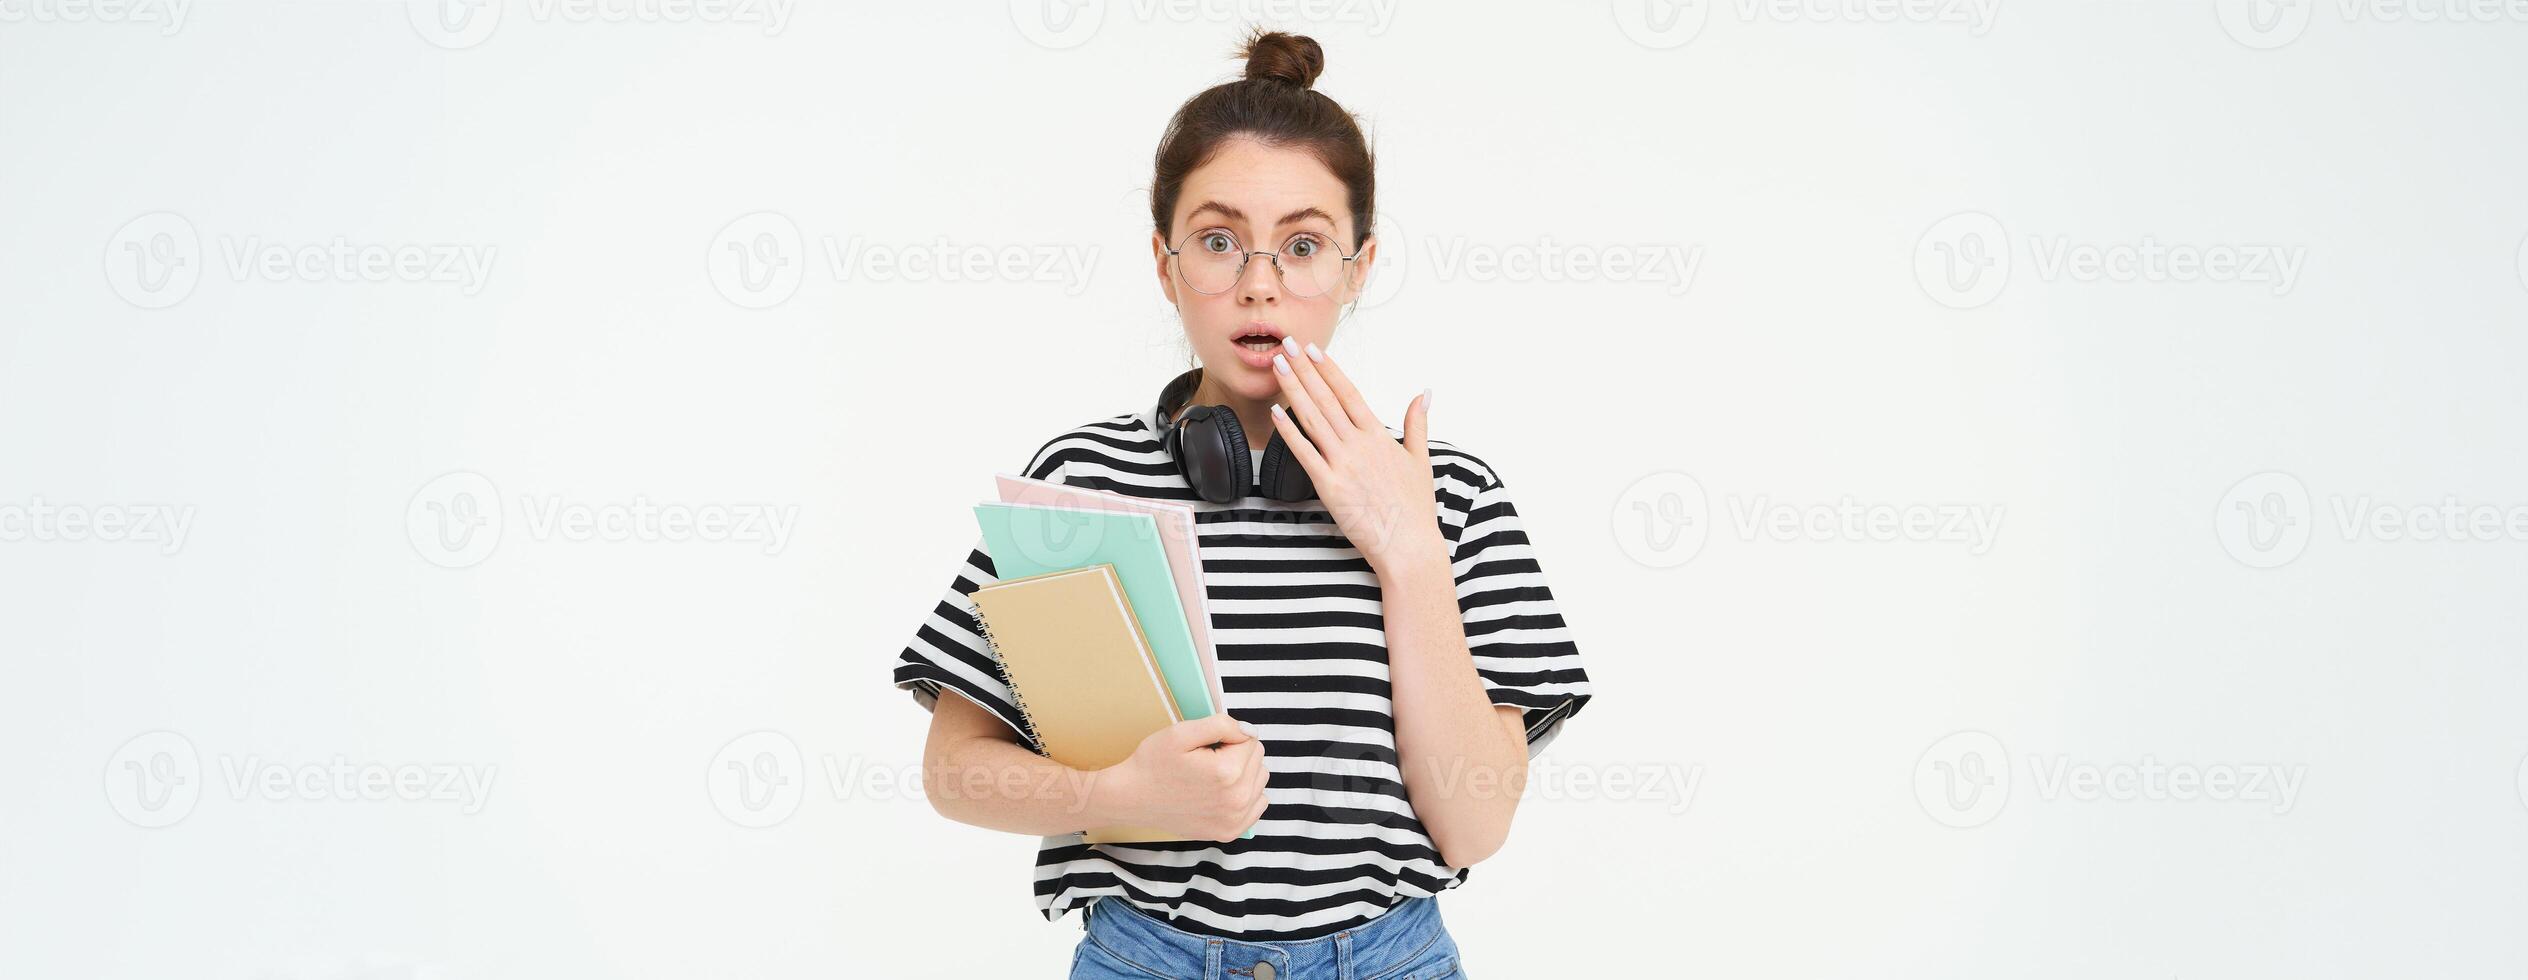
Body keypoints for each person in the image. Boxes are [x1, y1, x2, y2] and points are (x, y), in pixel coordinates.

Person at [891, 29, 1593, 979]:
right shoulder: (1079, 480)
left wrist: (1411, 554)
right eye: (1219, 241)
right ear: (1163, 260)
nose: (1259, 283)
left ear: (1360, 265)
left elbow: (1472, 827)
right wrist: (1118, 793)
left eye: (1303, 246)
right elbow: (954, 770)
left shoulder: (1453, 494)